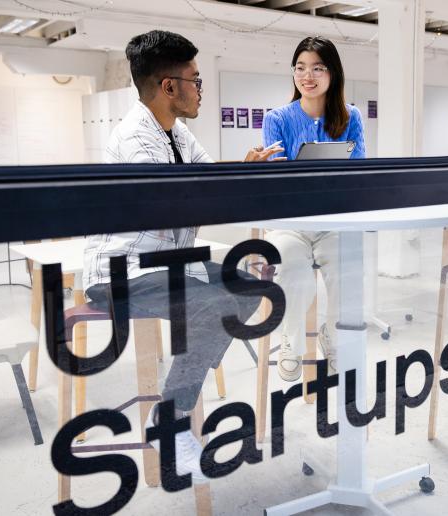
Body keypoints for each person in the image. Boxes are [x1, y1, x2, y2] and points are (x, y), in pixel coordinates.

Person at [83, 30, 283, 482]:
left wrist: (244, 170)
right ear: (169, 86)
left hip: (169, 263)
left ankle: (186, 377)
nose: (200, 92)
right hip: (124, 272)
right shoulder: (137, 141)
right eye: (196, 80)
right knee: (213, 308)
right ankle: (170, 423)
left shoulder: (175, 133)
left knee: (253, 286)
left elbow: (206, 178)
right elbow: (187, 203)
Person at [261, 36, 366, 381]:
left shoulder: (351, 117)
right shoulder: (276, 119)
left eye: (318, 68)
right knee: (293, 268)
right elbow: (275, 180)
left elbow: (359, 170)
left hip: (333, 220)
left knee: (349, 268)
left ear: (332, 73)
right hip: (290, 222)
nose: (308, 76)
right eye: (301, 68)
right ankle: (290, 343)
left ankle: (332, 340)